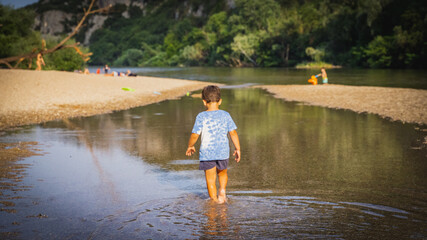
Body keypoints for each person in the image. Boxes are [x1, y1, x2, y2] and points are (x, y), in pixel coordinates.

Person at [185, 85, 241, 204]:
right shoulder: (226, 115)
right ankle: (222, 191)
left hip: (207, 153)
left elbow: (195, 134)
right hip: (223, 152)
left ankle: (214, 202)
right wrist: (238, 148)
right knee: (223, 173)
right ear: (220, 101)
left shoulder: (201, 116)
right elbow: (233, 133)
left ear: (204, 102)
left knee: (210, 180)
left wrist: (190, 145)